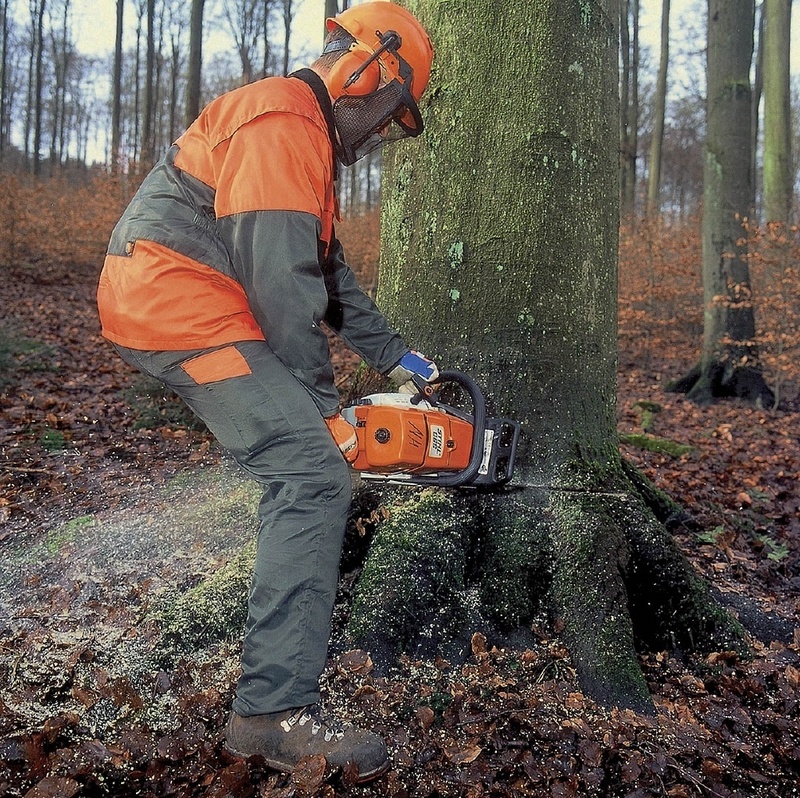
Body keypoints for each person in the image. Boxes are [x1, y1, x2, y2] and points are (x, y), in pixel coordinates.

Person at [96, 0, 436, 784]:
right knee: (313, 470)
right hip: (176, 304)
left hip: (195, 301)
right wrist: (323, 412)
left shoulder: (300, 136)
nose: (383, 133)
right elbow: (283, 287)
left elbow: (325, 272)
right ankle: (271, 713)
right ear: (368, 73)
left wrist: (407, 366)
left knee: (309, 457)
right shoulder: (283, 124)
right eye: (390, 115)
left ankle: (272, 692)